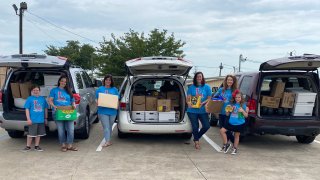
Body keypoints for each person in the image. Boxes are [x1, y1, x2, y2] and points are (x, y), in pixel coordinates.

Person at [48, 75, 77, 152]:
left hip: (68, 111)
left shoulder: (68, 90)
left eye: (65, 82)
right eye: (62, 81)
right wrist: (54, 106)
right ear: (59, 81)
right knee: (61, 130)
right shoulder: (54, 90)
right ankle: (63, 145)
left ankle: (70, 145)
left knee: (71, 129)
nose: (63, 83)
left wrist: (74, 105)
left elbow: (72, 100)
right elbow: (50, 100)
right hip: (58, 112)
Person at [187, 72, 212, 149]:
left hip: (203, 110)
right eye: (197, 77)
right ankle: (197, 142)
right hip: (192, 111)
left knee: (206, 126)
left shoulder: (207, 87)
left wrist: (203, 103)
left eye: (200, 77)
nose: (199, 78)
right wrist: (189, 103)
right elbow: (188, 99)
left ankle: (196, 137)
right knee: (195, 126)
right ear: (195, 78)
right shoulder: (191, 87)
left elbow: (209, 98)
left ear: (202, 77)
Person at [214, 74, 238, 152]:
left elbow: (238, 101)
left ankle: (229, 145)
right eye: (228, 80)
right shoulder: (221, 89)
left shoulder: (235, 91)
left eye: (231, 80)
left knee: (226, 130)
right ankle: (228, 144)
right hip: (221, 113)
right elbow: (215, 97)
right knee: (222, 129)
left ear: (233, 81)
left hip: (230, 114)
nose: (229, 81)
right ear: (226, 80)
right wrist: (221, 98)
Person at [22, 85, 48, 152]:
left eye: (37, 90)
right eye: (34, 90)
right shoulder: (29, 98)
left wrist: (46, 118)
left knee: (39, 134)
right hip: (33, 120)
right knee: (30, 134)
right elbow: (27, 109)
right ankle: (28, 146)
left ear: (39, 91)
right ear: (32, 91)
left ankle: (36, 146)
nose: (36, 91)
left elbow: (45, 109)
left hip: (41, 120)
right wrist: (28, 119)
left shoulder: (42, 99)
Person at [221, 90, 249, 155]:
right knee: (222, 131)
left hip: (239, 123)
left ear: (241, 98)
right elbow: (227, 114)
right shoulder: (232, 104)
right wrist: (227, 110)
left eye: (239, 97)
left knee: (236, 135)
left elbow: (246, 116)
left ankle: (235, 148)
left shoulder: (243, 105)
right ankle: (226, 144)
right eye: (236, 97)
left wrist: (242, 111)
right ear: (234, 98)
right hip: (231, 122)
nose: (237, 99)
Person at [96, 74, 119, 147]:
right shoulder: (100, 89)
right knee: (106, 127)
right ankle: (107, 141)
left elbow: (117, 99)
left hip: (112, 111)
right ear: (104, 80)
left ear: (111, 81)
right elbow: (96, 99)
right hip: (103, 111)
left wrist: (117, 106)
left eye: (109, 80)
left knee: (110, 126)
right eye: (106, 80)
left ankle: (108, 139)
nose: (108, 81)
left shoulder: (115, 89)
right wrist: (97, 102)